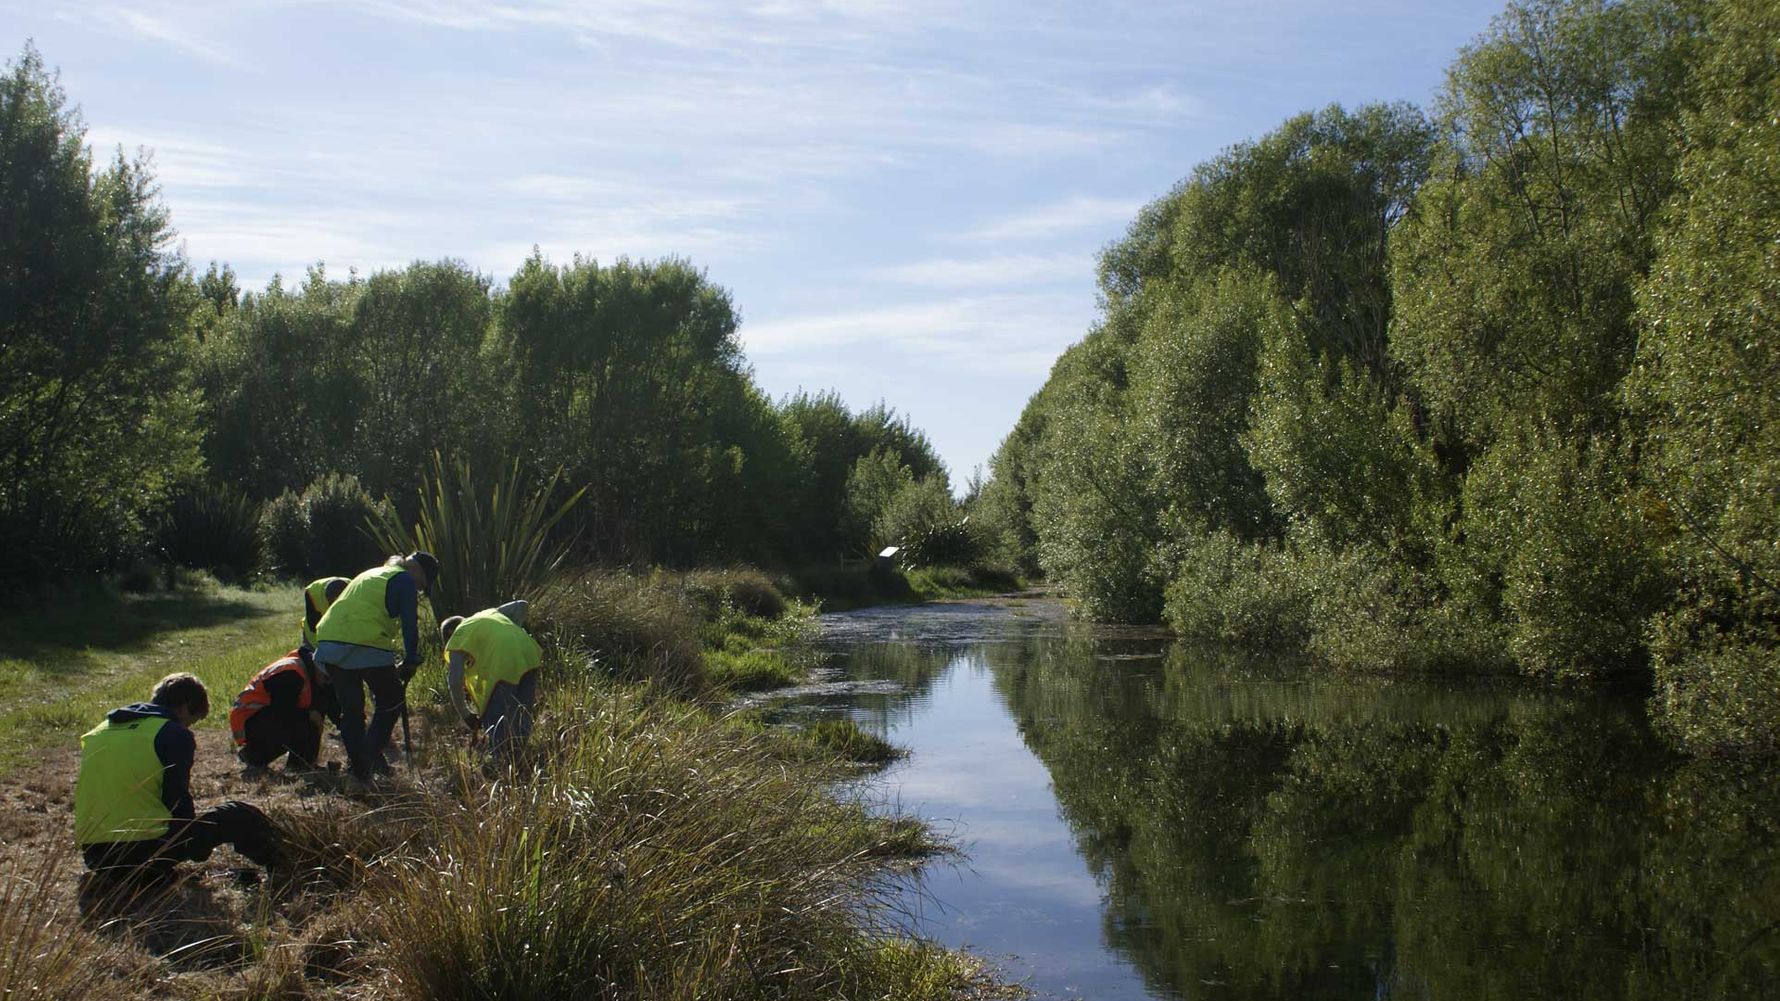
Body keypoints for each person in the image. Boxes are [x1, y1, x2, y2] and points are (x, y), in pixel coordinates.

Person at [74, 673, 280, 882]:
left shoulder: (98, 733)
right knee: (239, 815)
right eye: (190, 722)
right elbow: (175, 798)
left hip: (96, 856)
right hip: (144, 851)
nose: (187, 728)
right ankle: (284, 866)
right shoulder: (172, 734)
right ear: (183, 707)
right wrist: (197, 843)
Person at [312, 552, 438, 781]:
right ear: (418, 572)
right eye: (422, 586)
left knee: (351, 710)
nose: (418, 590)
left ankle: (359, 772)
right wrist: (411, 658)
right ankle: (367, 759)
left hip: (330, 643)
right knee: (393, 700)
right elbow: (410, 625)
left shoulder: (371, 574)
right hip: (363, 642)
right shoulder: (405, 579)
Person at [441, 599, 543, 764]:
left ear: (450, 633)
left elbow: (454, 681)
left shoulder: (458, 634)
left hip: (504, 662)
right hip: (528, 654)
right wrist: (512, 636)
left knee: (495, 716)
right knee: (521, 714)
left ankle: (500, 766)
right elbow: (522, 605)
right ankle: (521, 762)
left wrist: (465, 715)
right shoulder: (488, 614)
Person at [229, 649, 340, 773]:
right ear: (317, 668)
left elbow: (335, 710)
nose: (327, 683)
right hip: (250, 720)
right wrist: (309, 715)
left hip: (266, 716)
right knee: (304, 722)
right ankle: (254, 756)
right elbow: (281, 711)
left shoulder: (311, 674)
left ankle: (302, 765)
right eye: (326, 678)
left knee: (310, 717)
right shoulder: (291, 673)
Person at [299, 576, 351, 658]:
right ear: (326, 597)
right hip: (313, 636)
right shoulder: (312, 592)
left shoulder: (353, 587)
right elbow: (313, 625)